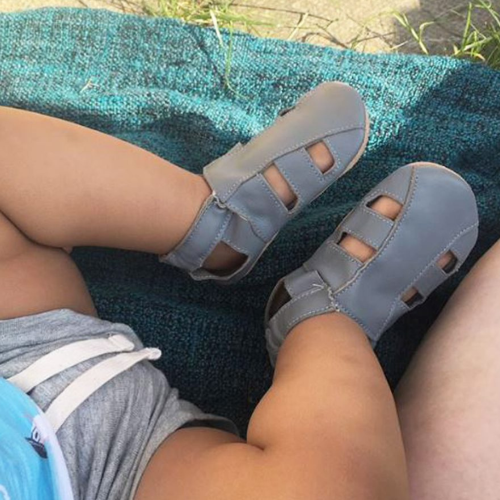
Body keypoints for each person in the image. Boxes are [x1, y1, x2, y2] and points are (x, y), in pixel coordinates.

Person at [0, 81, 489, 500]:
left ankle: (210, 225)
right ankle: (323, 319)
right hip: (98, 484)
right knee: (339, 484)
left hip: (16, 350)